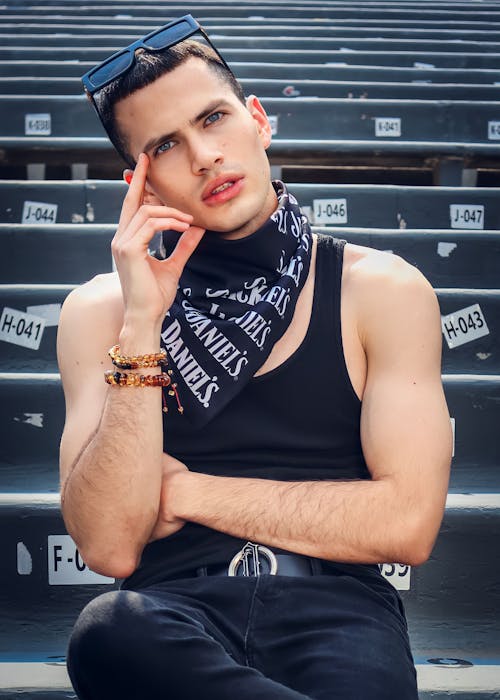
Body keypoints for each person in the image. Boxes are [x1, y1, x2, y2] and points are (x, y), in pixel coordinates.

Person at [57, 15, 452, 700]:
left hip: (340, 613)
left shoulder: (379, 290)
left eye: (213, 119)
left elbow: (407, 526)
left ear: (258, 120)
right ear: (141, 184)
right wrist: (144, 326)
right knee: (106, 631)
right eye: (168, 146)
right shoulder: (101, 313)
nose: (205, 155)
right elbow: (109, 545)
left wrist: (185, 492)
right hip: (170, 616)